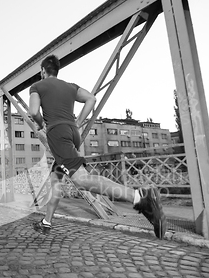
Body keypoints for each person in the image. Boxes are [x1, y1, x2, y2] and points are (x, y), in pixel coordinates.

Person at [29, 55, 167, 239]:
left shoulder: (38, 86)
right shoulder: (70, 86)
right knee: (57, 179)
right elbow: (91, 99)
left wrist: (40, 124)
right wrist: (77, 122)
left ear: (43, 71)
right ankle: (46, 222)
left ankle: (140, 197)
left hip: (58, 134)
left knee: (81, 180)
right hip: (72, 133)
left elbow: (33, 111)